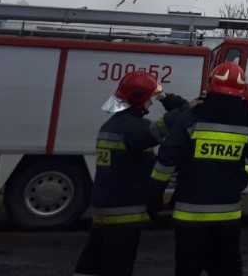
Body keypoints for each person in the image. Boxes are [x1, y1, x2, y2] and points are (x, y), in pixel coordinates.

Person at [150, 62, 248, 276]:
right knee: (227, 270)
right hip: (227, 217)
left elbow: (167, 157)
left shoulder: (191, 117)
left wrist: (154, 194)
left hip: (189, 215)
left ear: (211, 85)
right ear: (241, 90)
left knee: (187, 269)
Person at [74, 72, 189, 276]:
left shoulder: (112, 126)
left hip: (104, 213)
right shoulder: (135, 129)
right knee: (118, 267)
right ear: (139, 99)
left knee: (90, 266)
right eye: (149, 100)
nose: (150, 105)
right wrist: (170, 99)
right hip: (123, 216)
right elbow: (178, 118)